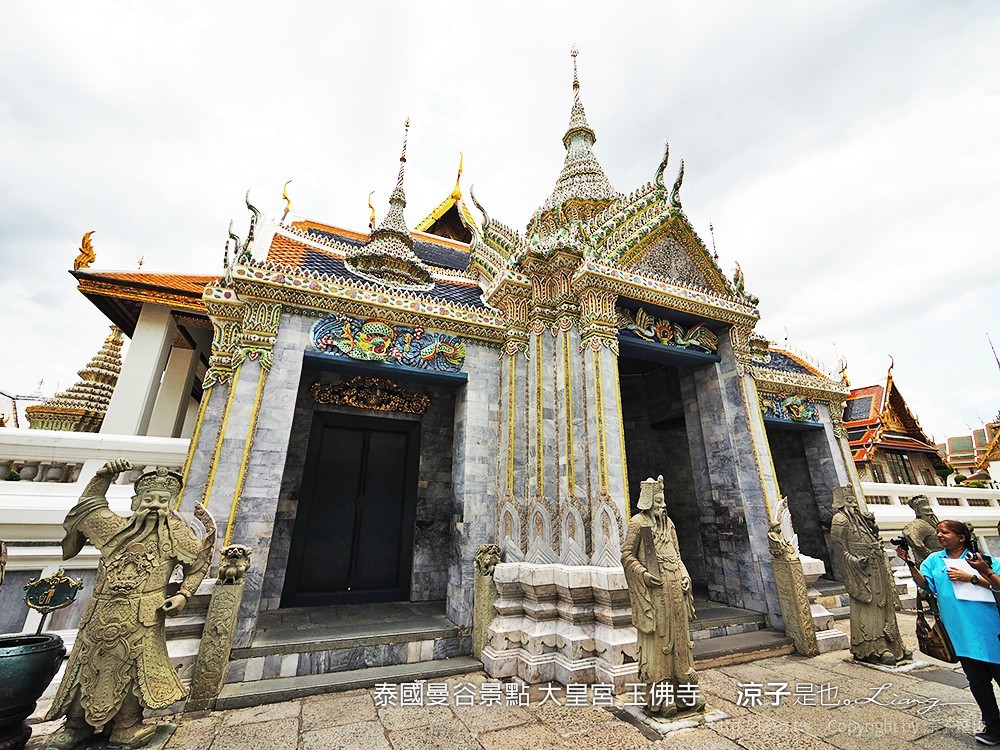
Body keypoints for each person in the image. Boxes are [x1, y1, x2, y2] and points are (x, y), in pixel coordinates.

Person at [45, 460, 215, 750]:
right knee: (85, 665)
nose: (154, 505)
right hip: (100, 614)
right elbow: (89, 505)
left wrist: (184, 593)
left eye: (162, 501)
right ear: (136, 501)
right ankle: (75, 725)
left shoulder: (177, 535)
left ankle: (126, 725)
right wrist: (103, 476)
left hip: (144, 614)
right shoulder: (115, 528)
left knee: (135, 669)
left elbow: (198, 562)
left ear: (172, 503)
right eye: (148, 499)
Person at [898, 520, 1000, 746]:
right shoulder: (934, 560)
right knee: (978, 683)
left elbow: (998, 585)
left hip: (990, 630)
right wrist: (910, 564)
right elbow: (926, 585)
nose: (940, 535)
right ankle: (993, 728)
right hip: (960, 634)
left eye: (946, 532)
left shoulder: (984, 560)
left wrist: (971, 577)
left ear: (961, 537)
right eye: (938, 532)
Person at [622, 475, 704, 718]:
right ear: (648, 502)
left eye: (663, 502)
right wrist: (644, 575)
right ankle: (661, 696)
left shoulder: (669, 526)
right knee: (661, 642)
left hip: (675, 589)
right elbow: (627, 555)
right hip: (655, 592)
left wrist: (685, 575)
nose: (662, 506)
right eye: (658, 502)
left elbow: (676, 556)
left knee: (680, 640)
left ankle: (686, 692)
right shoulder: (638, 523)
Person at [829, 486, 909, 665]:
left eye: (853, 498)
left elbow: (874, 536)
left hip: (876, 564)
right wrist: (854, 561)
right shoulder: (839, 519)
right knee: (869, 605)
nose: (852, 502)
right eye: (848, 499)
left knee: (884, 602)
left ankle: (895, 644)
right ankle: (873, 647)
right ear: (840, 501)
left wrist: (872, 524)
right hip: (860, 568)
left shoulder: (859, 517)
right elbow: (839, 546)